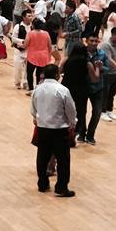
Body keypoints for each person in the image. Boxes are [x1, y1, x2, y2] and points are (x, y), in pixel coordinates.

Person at [31, 64, 77, 197]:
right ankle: (61, 187)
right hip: (59, 129)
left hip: (42, 128)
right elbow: (70, 110)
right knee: (63, 160)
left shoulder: (37, 89)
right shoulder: (63, 90)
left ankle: (42, 184)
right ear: (57, 75)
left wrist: (39, 118)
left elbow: (33, 109)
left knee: (42, 157)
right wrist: (72, 123)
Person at [25, 18, 55, 93]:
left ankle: (31, 89)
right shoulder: (46, 33)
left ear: (33, 25)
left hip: (32, 56)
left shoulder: (30, 33)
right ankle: (38, 89)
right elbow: (50, 46)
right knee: (40, 74)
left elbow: (25, 45)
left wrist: (18, 44)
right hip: (43, 56)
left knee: (29, 73)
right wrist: (49, 56)